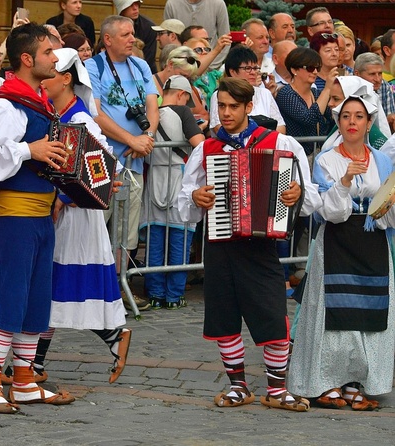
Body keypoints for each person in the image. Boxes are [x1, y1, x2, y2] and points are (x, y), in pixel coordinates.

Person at [178, 77, 321, 411]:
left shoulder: (281, 144)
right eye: (221, 107)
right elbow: (184, 200)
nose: (225, 114)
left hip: (261, 245)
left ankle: (276, 389)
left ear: (248, 107)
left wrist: (296, 193)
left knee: (272, 314)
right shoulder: (206, 149)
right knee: (223, 316)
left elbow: (311, 196)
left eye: (232, 107)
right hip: (220, 244)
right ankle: (238, 386)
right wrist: (197, 198)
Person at [13, 47, 132, 384]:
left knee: (52, 286)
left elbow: (107, 166)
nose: (42, 81)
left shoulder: (79, 118)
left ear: (65, 79)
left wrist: (64, 196)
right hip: (61, 211)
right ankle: (38, 363)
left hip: (75, 215)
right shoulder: (57, 113)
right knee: (51, 287)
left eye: (49, 74)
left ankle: (34, 364)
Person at [0, 22, 74, 414]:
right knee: (9, 298)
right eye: (49, 52)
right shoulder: (4, 104)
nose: (55, 58)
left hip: (37, 216)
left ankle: (26, 381)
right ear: (28, 59)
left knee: (35, 301)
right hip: (12, 215)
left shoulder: (38, 100)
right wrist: (29, 151)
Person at [288, 94, 395, 411]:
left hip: (372, 239)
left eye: (359, 116)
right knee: (332, 314)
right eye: (346, 116)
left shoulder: (382, 160)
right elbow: (327, 212)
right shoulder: (326, 160)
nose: (352, 122)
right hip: (337, 239)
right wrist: (347, 179)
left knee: (368, 313)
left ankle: (356, 381)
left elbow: (387, 202)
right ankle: (324, 381)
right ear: (338, 122)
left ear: (368, 123)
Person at [85, 15, 159, 311]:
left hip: (135, 161)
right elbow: (96, 113)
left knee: (126, 230)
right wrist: (131, 140)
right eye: (126, 34)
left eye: (132, 34)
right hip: (103, 160)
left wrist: (148, 137)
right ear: (108, 39)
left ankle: (118, 285)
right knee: (96, 225)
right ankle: (93, 287)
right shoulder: (94, 67)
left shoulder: (140, 65)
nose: (132, 38)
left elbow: (154, 105)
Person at [140, 75, 204, 310]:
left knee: (155, 240)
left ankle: (155, 293)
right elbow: (200, 144)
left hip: (155, 178)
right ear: (182, 94)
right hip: (179, 178)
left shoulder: (149, 114)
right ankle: (174, 295)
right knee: (180, 239)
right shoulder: (182, 112)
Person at [209, 46, 286, 134]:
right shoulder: (220, 94)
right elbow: (217, 127)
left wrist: (264, 140)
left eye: (255, 68)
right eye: (248, 69)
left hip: (266, 144)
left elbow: (280, 126)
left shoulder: (265, 93)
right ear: (233, 72)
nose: (253, 72)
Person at [275, 47, 335, 155]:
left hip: (318, 156)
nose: (315, 72)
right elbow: (308, 119)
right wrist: (327, 89)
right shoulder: (286, 93)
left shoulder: (316, 93)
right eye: (310, 68)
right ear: (294, 70)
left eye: (318, 68)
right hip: (295, 157)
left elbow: (332, 118)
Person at [322, 76, 389, 151]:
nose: (329, 103)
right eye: (330, 98)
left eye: (336, 99)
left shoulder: (374, 136)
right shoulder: (338, 127)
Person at [164, 0, 230, 70]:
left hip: (211, 68)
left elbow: (226, 40)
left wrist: (211, 65)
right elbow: (168, 39)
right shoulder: (172, 4)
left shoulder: (218, 3)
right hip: (180, 67)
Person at [354, 52, 395, 136]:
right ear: (357, 74)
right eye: (372, 74)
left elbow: (389, 119)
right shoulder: (345, 88)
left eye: (380, 73)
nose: (378, 79)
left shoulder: (384, 86)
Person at [114, 0, 158, 73]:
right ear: (122, 9)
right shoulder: (111, 27)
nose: (135, 8)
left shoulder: (148, 27)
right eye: (131, 5)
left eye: (137, 4)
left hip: (144, 73)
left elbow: (149, 59)